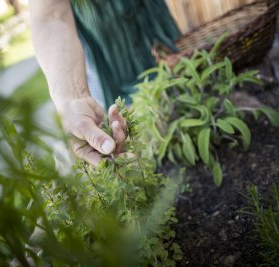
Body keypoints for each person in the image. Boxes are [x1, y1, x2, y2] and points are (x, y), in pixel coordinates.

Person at [29, 0, 180, 166]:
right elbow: (51, 16)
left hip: (160, 31)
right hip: (111, 59)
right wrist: (72, 99)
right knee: (133, 147)